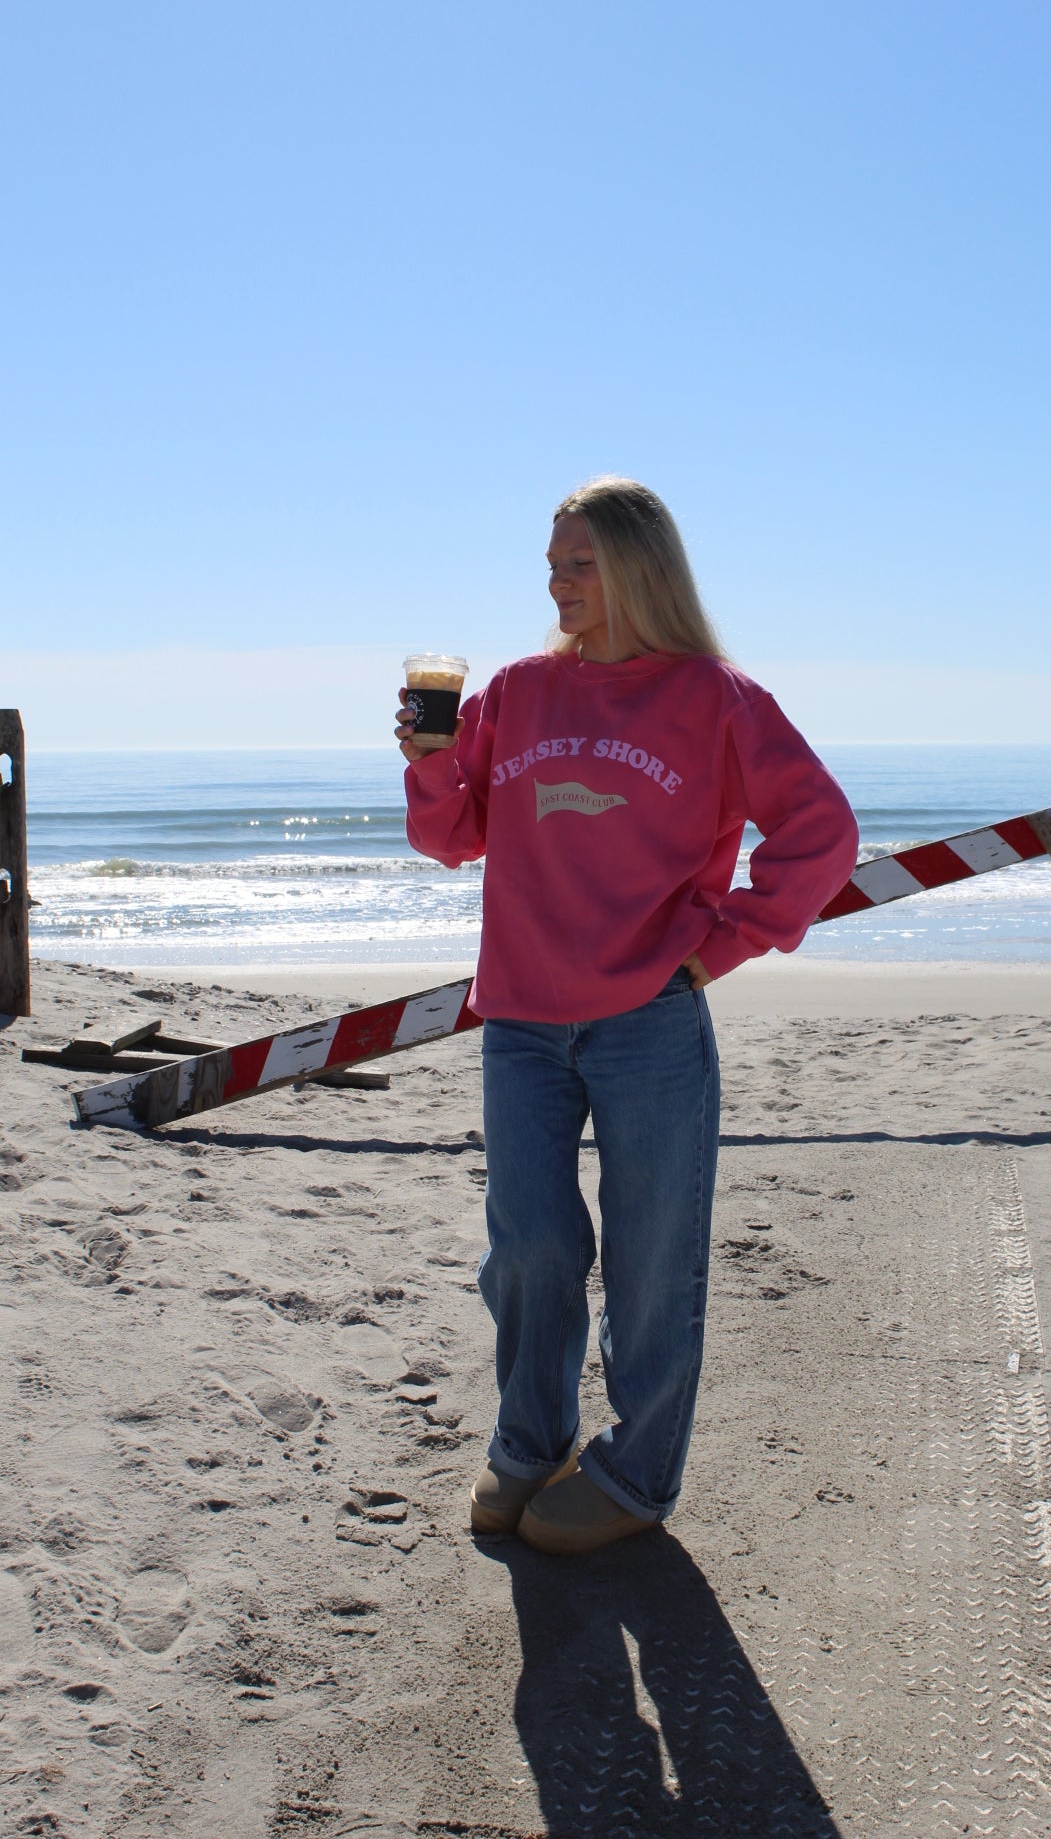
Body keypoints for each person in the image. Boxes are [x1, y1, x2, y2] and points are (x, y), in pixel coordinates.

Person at [397, 477, 858, 1555]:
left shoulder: (716, 698)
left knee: (653, 1259)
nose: (554, 583)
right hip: (518, 1017)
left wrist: (723, 945)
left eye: (577, 564)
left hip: (649, 1017)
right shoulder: (512, 691)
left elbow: (819, 832)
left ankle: (636, 1474)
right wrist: (427, 766)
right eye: (551, 564)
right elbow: (453, 837)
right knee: (530, 1250)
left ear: (638, 568)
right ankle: (528, 1444)